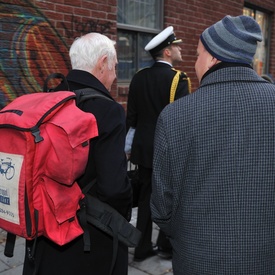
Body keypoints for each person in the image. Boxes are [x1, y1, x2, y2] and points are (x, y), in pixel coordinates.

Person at [151, 15, 275, 275]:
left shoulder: (175, 116)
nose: (194, 63)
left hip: (199, 259)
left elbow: (162, 207)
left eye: (197, 55)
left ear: (213, 58)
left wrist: (189, 237)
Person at [23, 33, 132, 275]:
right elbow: (113, 187)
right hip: (88, 237)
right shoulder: (108, 110)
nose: (114, 76)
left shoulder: (50, 99)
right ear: (102, 63)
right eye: (114, 67)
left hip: (44, 233)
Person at [126, 26, 191, 261]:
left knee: (145, 200)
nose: (180, 49)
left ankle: (141, 248)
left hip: (143, 151)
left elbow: (131, 118)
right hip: (168, 151)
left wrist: (128, 148)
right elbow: (182, 120)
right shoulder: (178, 79)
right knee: (170, 199)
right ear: (166, 52)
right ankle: (165, 246)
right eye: (176, 46)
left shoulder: (138, 76)